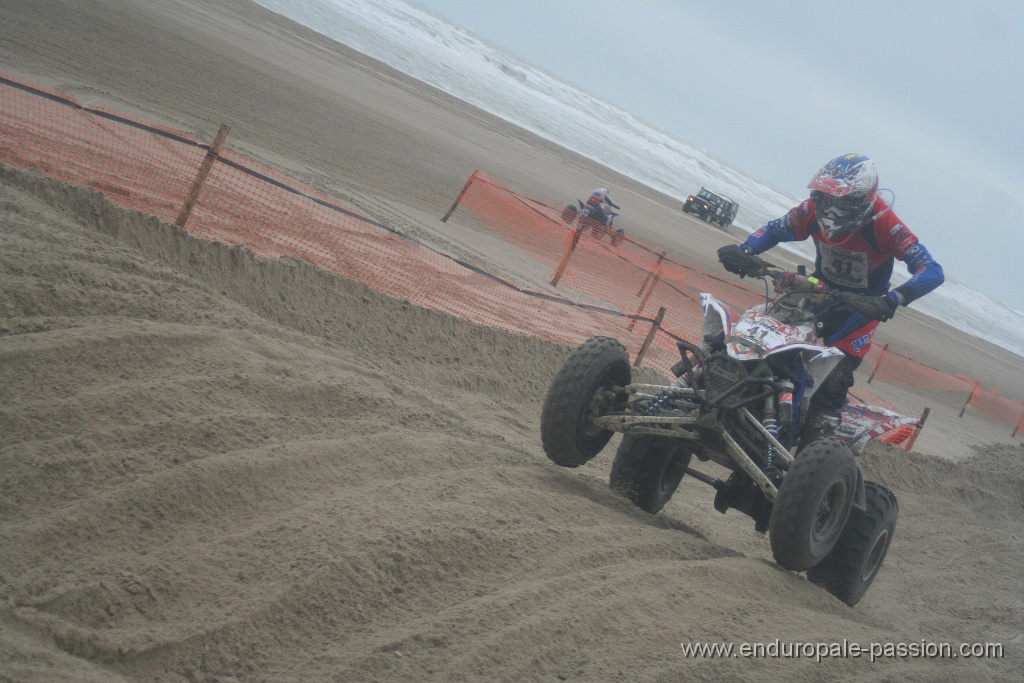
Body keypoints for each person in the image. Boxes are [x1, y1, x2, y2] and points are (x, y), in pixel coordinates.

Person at [716, 153, 944, 441]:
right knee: (757, 339)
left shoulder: (886, 224)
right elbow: (775, 229)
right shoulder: (811, 209)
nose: (830, 208)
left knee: (832, 384)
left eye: (841, 200)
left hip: (860, 310)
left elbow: (932, 271)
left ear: (863, 198)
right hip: (814, 292)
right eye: (824, 197)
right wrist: (746, 251)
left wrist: (892, 299)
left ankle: (813, 452)